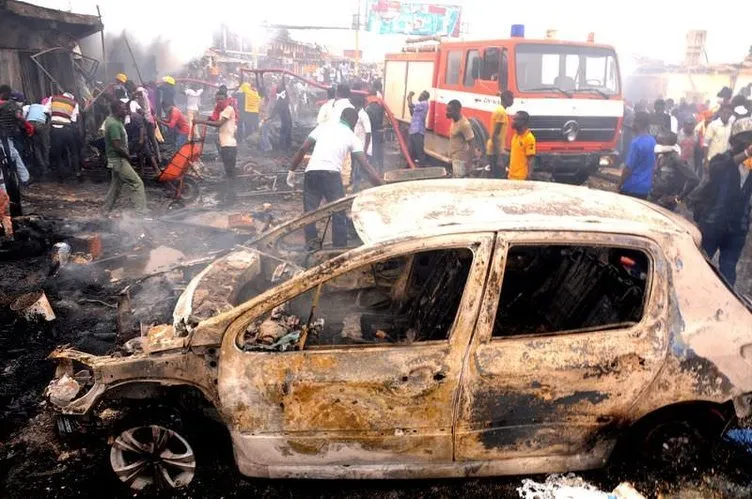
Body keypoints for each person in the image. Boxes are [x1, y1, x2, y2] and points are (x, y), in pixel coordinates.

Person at [287, 107, 382, 248]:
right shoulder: (352, 137)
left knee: (309, 214)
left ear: (341, 117)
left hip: (311, 172)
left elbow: (303, 149)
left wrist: (292, 170)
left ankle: (311, 248)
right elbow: (365, 166)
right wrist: (381, 185)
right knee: (338, 213)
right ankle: (339, 249)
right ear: (354, 122)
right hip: (331, 175)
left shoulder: (323, 127)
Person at [689, 117, 752, 286]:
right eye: (747, 138)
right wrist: (746, 153)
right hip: (713, 223)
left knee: (728, 271)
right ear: (736, 140)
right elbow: (717, 169)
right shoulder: (720, 159)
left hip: (737, 228)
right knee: (701, 264)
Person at [102, 100, 147, 215]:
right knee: (137, 183)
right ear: (117, 110)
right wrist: (128, 157)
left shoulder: (114, 120)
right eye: (123, 108)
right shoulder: (114, 125)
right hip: (119, 160)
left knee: (115, 188)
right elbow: (117, 145)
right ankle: (141, 214)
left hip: (115, 159)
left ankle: (105, 212)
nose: (126, 110)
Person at [195, 89, 237, 205]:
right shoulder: (223, 110)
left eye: (221, 99)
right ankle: (230, 196)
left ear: (226, 99)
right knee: (228, 172)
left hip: (229, 146)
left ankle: (231, 197)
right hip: (226, 145)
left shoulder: (228, 109)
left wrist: (200, 121)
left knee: (230, 172)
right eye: (217, 99)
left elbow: (219, 124)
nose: (219, 102)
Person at [649, 131, 699, 211]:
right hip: (655, 197)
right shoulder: (661, 156)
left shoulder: (677, 160)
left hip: (666, 203)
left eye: (661, 142)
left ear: (668, 143)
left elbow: (694, 179)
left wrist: (678, 198)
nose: (658, 144)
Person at [0, 85, 30, 216]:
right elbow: (19, 117)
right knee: (14, 159)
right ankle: (22, 180)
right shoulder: (12, 106)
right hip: (8, 140)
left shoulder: (7, 105)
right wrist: (28, 126)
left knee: (11, 161)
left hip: (6, 140)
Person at [619, 111, 656, 200]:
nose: (632, 124)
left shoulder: (636, 143)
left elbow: (628, 169)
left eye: (634, 121)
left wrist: (620, 184)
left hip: (632, 186)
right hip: (645, 188)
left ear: (637, 123)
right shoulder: (653, 141)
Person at [46, 90, 81, 180]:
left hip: (54, 129)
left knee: (58, 153)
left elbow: (45, 110)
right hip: (67, 129)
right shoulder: (74, 103)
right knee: (73, 151)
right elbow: (73, 120)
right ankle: (77, 173)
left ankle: (61, 176)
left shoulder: (53, 98)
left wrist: (53, 117)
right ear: (72, 96)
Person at [486, 90, 514, 178]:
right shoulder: (501, 113)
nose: (513, 101)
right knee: (497, 178)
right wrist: (499, 156)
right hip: (495, 151)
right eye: (512, 98)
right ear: (507, 99)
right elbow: (495, 135)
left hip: (495, 149)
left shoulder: (501, 111)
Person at [446, 100, 474, 177]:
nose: (447, 113)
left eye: (449, 111)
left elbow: (472, 143)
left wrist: (469, 162)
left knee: (458, 183)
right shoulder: (454, 121)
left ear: (457, 111)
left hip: (461, 160)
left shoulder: (464, 125)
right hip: (455, 158)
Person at [24, 98, 50, 179]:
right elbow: (49, 119)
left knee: (36, 147)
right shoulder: (45, 107)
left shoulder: (30, 106)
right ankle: (46, 165)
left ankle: (41, 166)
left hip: (30, 124)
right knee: (45, 146)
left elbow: (25, 116)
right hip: (40, 124)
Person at [508, 111, 536, 181]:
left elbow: (531, 159)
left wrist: (529, 176)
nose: (512, 121)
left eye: (515, 119)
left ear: (523, 122)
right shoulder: (515, 136)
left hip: (521, 179)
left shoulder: (529, 138)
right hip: (511, 177)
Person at [351, 94, 372, 185]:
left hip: (362, 148)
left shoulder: (363, 115)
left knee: (358, 171)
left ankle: (356, 189)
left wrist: (365, 149)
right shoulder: (358, 115)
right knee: (357, 169)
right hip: (357, 147)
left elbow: (368, 133)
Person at [266, 83, 293, 151]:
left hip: (285, 121)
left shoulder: (280, 102)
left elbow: (273, 114)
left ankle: (284, 147)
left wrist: (268, 118)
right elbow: (285, 91)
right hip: (288, 121)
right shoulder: (285, 100)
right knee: (286, 134)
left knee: (284, 134)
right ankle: (285, 147)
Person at [407, 90, 429, 166]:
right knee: (410, 151)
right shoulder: (420, 105)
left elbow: (411, 105)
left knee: (419, 152)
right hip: (413, 130)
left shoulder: (424, 104)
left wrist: (409, 97)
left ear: (424, 97)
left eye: (421, 95)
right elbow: (412, 113)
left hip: (418, 131)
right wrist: (409, 99)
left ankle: (423, 168)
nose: (419, 96)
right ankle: (409, 166)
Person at [365, 87, 385, 172]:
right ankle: (380, 168)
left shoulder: (368, 109)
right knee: (380, 150)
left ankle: (373, 169)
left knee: (373, 150)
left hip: (373, 132)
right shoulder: (381, 107)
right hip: (380, 131)